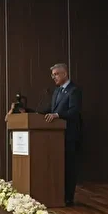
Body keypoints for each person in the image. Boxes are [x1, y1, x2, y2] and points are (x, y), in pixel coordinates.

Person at [40, 62, 83, 206]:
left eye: (56, 74)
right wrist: (30, 112)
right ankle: (58, 195)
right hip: (56, 138)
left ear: (65, 73)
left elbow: (74, 111)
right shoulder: (57, 91)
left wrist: (57, 115)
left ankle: (68, 198)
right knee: (58, 166)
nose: (54, 77)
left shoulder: (74, 90)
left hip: (70, 136)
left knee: (69, 167)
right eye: (52, 75)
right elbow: (49, 110)